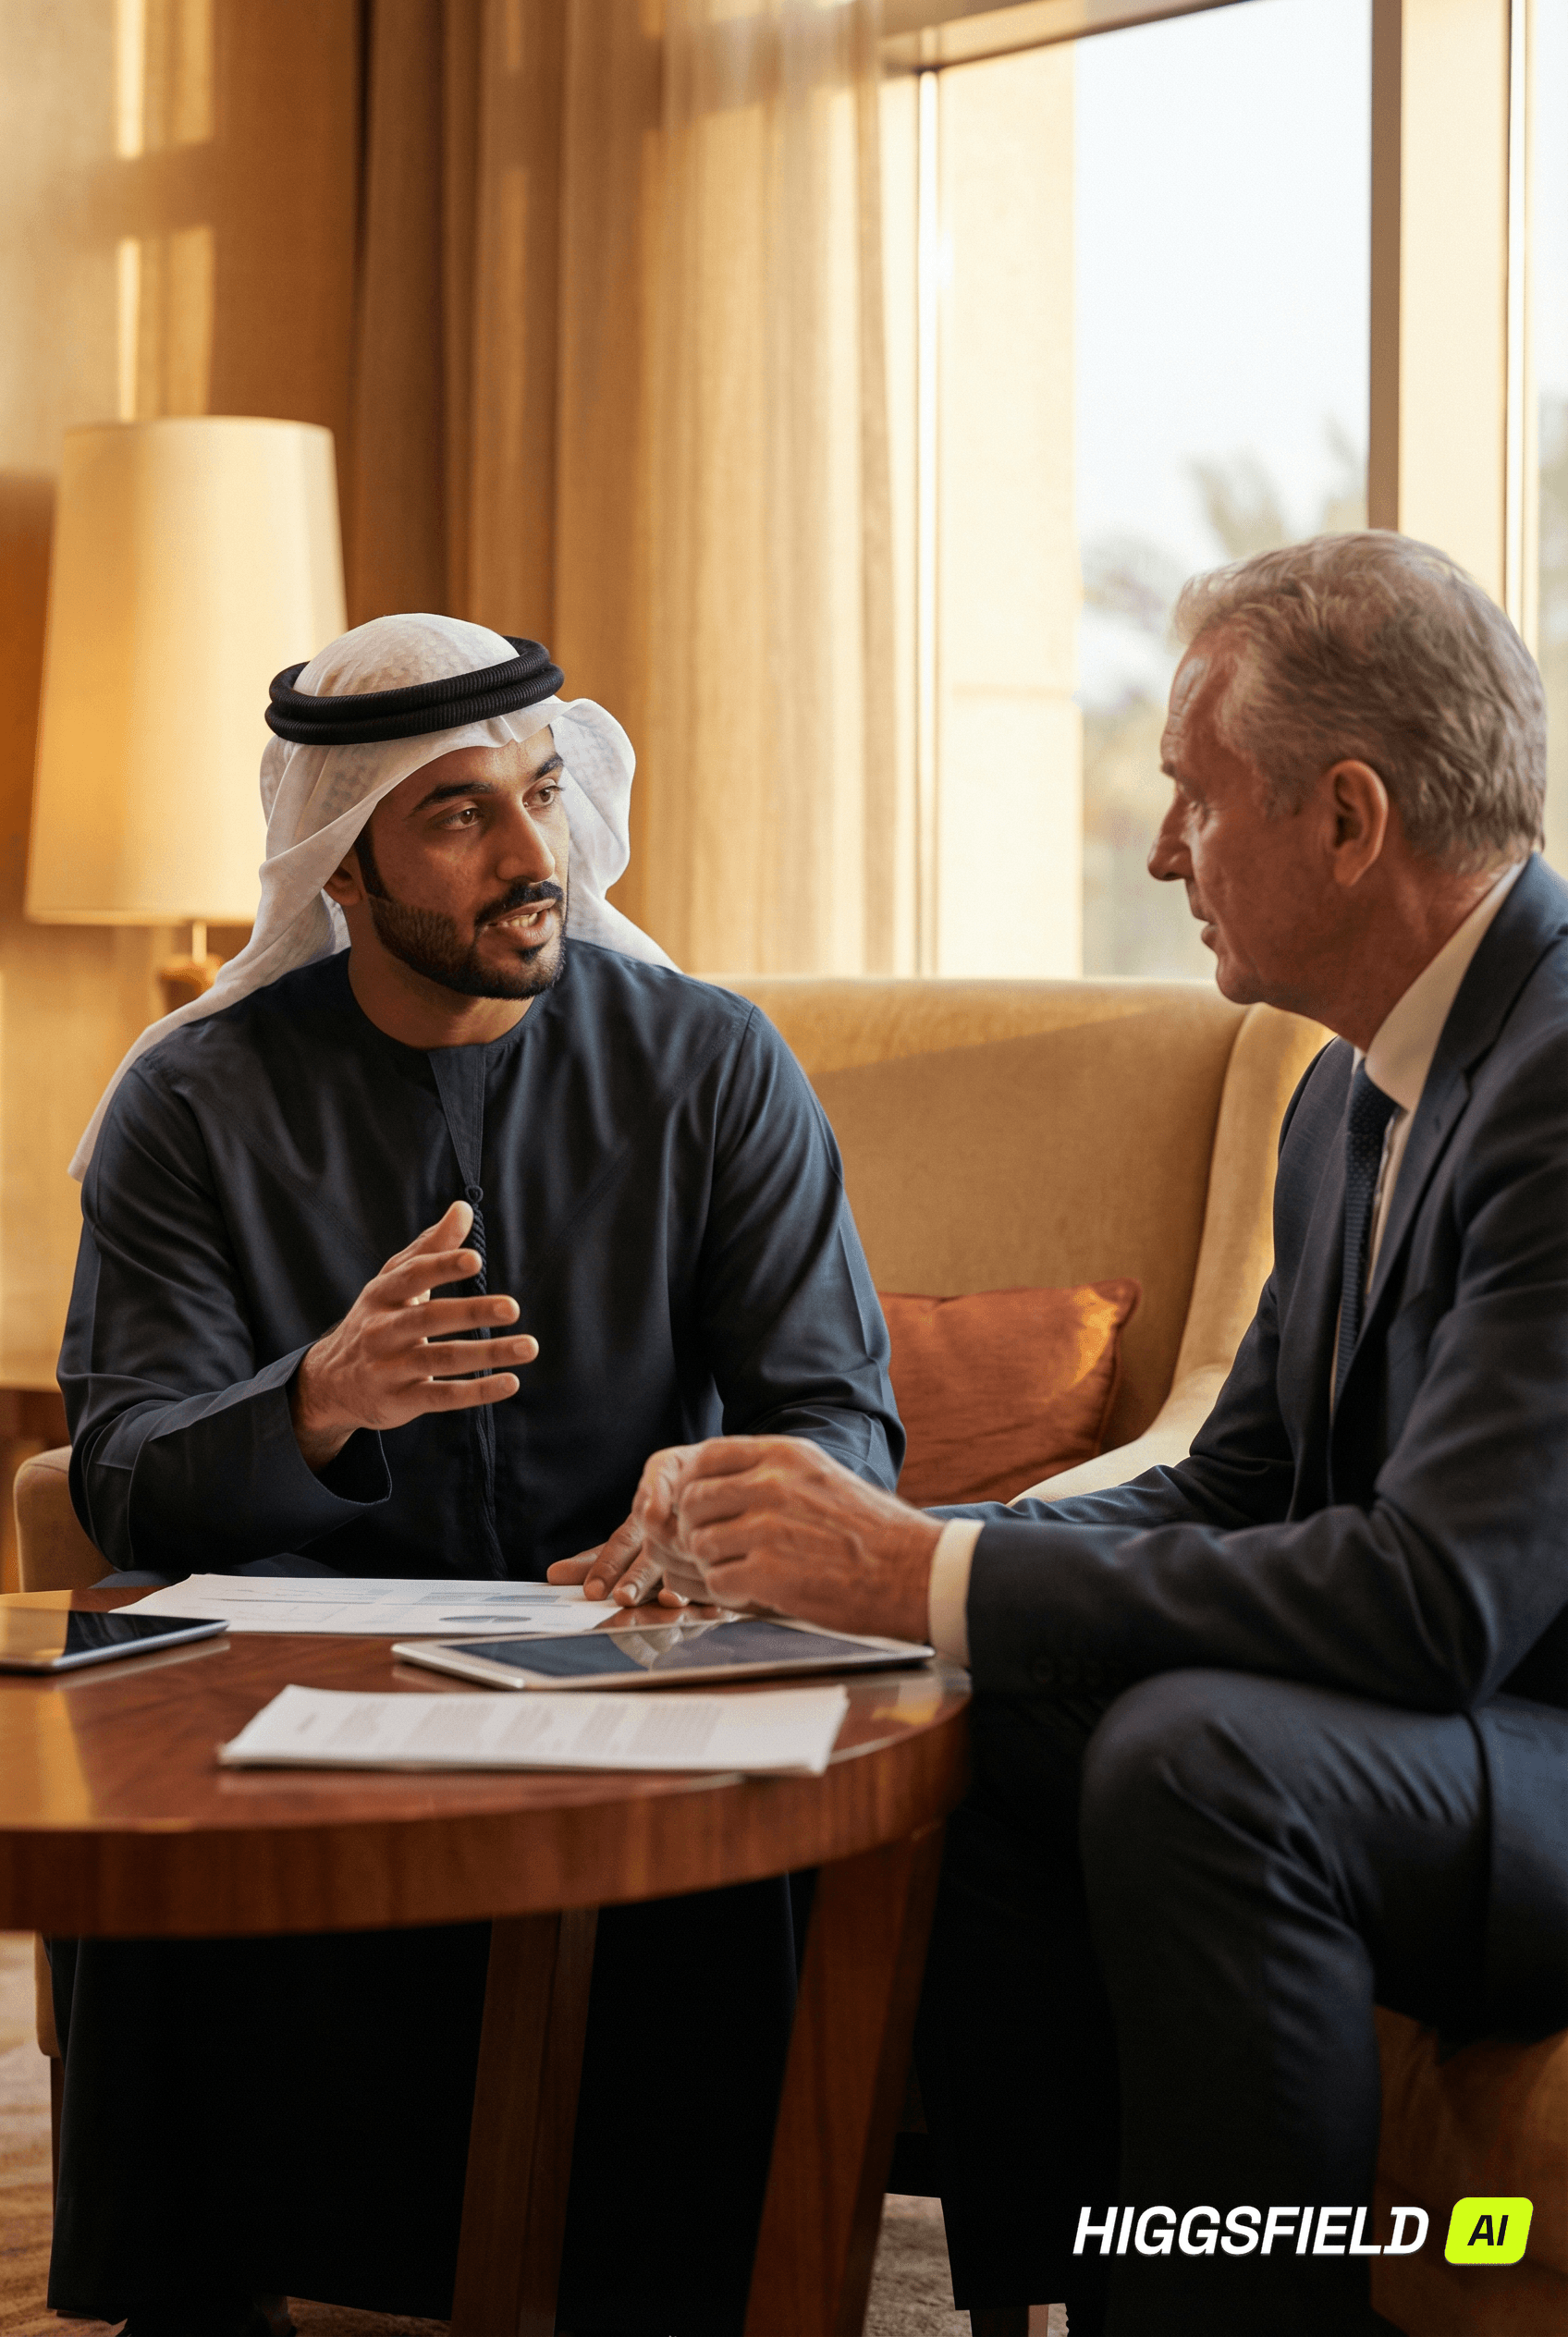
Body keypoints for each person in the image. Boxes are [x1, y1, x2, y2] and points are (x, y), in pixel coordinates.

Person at [630, 534, 1568, 2336]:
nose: (1157, 852)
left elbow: (1433, 1604)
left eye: (1187, 796)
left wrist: (933, 1564)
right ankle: (1036, 2309)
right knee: (997, 1705)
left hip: (1535, 1731)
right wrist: (865, 1570)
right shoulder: (1346, 1098)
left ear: (1347, 819)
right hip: (1459, 1730)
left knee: (1201, 1754)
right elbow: (1233, 1489)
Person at [48, 614, 901, 2337]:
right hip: (304, 1679)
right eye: (460, 816)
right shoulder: (193, 1107)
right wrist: (315, 1403)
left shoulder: (711, 1064)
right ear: (340, 869)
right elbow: (122, 1470)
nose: (538, 859)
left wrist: (709, 1499)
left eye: (546, 793)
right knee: (168, 1791)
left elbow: (841, 1421)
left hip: (639, 1653)